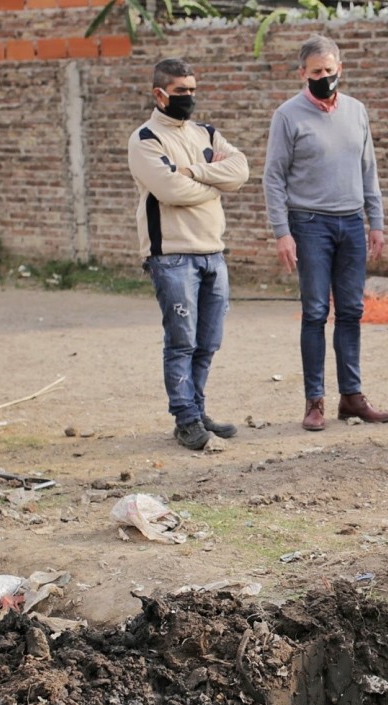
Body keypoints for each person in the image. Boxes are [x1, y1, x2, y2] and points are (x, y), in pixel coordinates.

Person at [264, 34, 388, 432]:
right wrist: (281, 232)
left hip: (352, 222)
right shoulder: (288, 115)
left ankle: (352, 397)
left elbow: (368, 169)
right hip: (309, 224)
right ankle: (314, 401)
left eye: (330, 69)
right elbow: (273, 178)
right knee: (316, 311)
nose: (324, 76)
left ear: (340, 68)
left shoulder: (356, 111)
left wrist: (377, 222)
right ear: (303, 73)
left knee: (352, 311)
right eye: (316, 71)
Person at [127, 58, 252, 451]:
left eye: (193, 90)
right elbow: (170, 192)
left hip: (213, 253)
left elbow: (241, 171)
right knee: (181, 341)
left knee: (208, 341)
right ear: (159, 94)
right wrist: (216, 183)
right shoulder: (146, 139)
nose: (189, 98)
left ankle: (197, 409)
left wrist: (194, 172)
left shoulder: (206, 132)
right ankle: (185, 419)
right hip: (173, 257)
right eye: (181, 92)